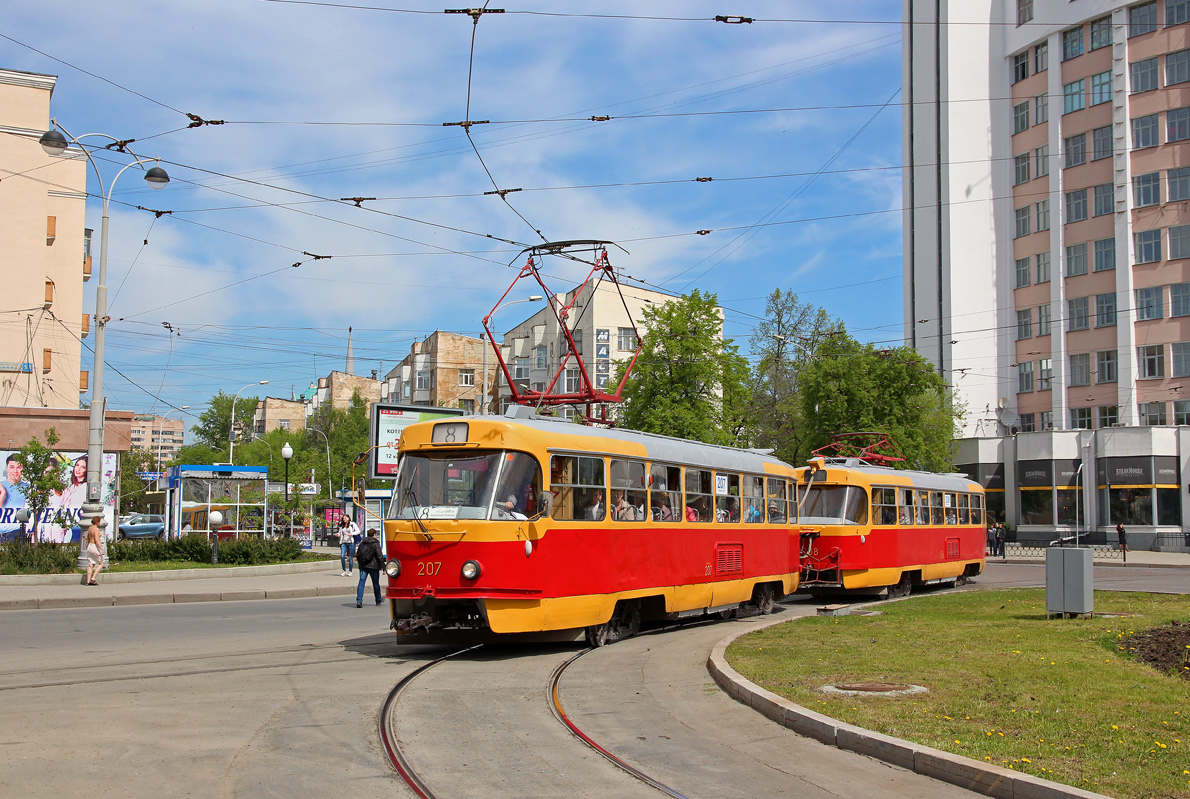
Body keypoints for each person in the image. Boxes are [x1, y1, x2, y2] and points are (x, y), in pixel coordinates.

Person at [355, 528, 384, 607]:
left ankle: (359, 600)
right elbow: (379, 556)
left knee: (361, 583)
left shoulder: (362, 542)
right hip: (373, 566)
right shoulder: (375, 543)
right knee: (375, 583)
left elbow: (358, 554)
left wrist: (360, 563)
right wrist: (383, 567)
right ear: (374, 534)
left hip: (363, 566)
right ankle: (378, 599)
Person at [84, 516, 104, 586]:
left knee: (91, 564)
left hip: (89, 546)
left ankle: (87, 581)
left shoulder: (90, 528)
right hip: (95, 547)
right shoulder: (96, 529)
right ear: (98, 522)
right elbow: (97, 540)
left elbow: (86, 537)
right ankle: (93, 579)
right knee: (102, 563)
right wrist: (101, 549)